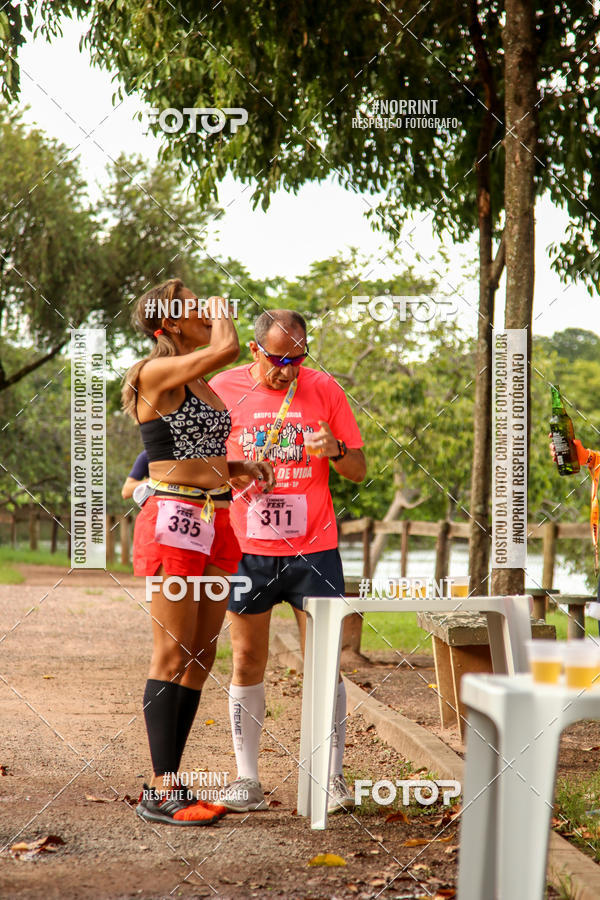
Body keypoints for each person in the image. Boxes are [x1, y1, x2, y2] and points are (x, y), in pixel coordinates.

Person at [121, 278, 275, 826]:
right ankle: (161, 790)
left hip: (215, 518)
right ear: (170, 321)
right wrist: (222, 314)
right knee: (170, 652)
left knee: (201, 655)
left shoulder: (201, 382)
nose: (207, 309)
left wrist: (235, 469)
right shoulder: (153, 371)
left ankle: (173, 782)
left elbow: (188, 450)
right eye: (193, 305)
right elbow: (229, 348)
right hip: (173, 521)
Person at [210, 309, 366, 814]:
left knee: (325, 664)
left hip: (314, 549)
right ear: (255, 350)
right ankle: (247, 779)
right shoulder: (222, 387)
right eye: (278, 359)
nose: (288, 369)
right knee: (247, 660)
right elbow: (195, 464)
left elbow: (359, 470)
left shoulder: (324, 389)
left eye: (298, 358)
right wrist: (227, 474)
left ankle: (332, 776)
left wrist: (336, 448)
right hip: (246, 549)